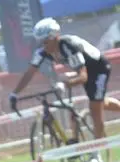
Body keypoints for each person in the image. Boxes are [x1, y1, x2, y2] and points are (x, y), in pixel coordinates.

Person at [10, 18, 120, 146]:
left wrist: (64, 85)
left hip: (99, 69)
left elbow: (83, 77)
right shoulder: (42, 51)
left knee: (95, 108)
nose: (43, 45)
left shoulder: (69, 45)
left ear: (55, 37)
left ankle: (97, 153)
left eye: (45, 41)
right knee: (99, 102)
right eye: (39, 42)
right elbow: (29, 73)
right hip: (81, 70)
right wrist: (14, 93)